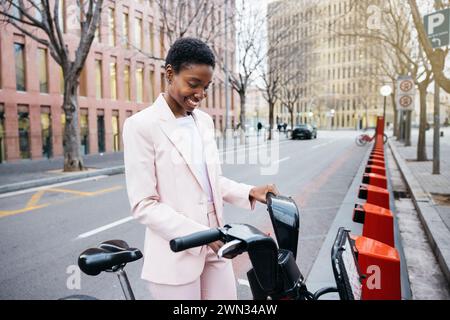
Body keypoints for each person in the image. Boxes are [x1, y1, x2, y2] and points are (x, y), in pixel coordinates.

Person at [122, 37, 279, 300]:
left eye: (205, 87)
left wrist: (250, 192)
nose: (199, 95)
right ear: (170, 73)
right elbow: (144, 204)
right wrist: (200, 234)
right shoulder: (141, 125)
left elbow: (209, 181)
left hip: (217, 242)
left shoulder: (203, 122)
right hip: (177, 252)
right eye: (193, 84)